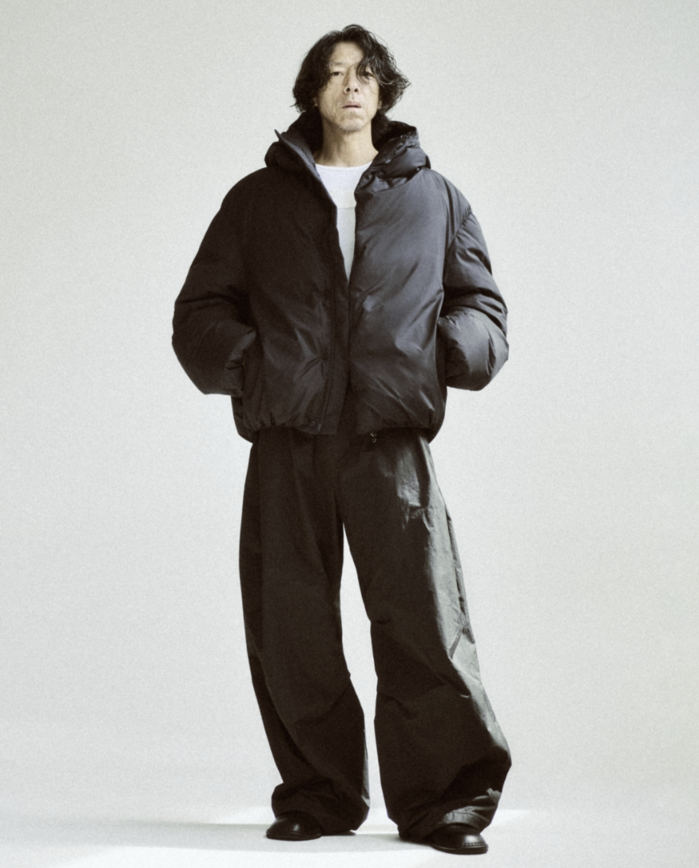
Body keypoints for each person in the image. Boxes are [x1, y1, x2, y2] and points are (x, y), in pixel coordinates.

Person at [172, 24, 511, 856]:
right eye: (332, 74)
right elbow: (200, 312)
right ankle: (319, 797)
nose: (349, 86)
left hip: (389, 440)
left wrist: (443, 353)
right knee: (291, 625)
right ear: (312, 93)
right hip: (289, 439)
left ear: (384, 89)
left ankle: (444, 805)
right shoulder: (258, 200)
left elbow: (482, 306)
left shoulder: (436, 198)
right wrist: (257, 369)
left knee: (423, 620)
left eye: (363, 73)